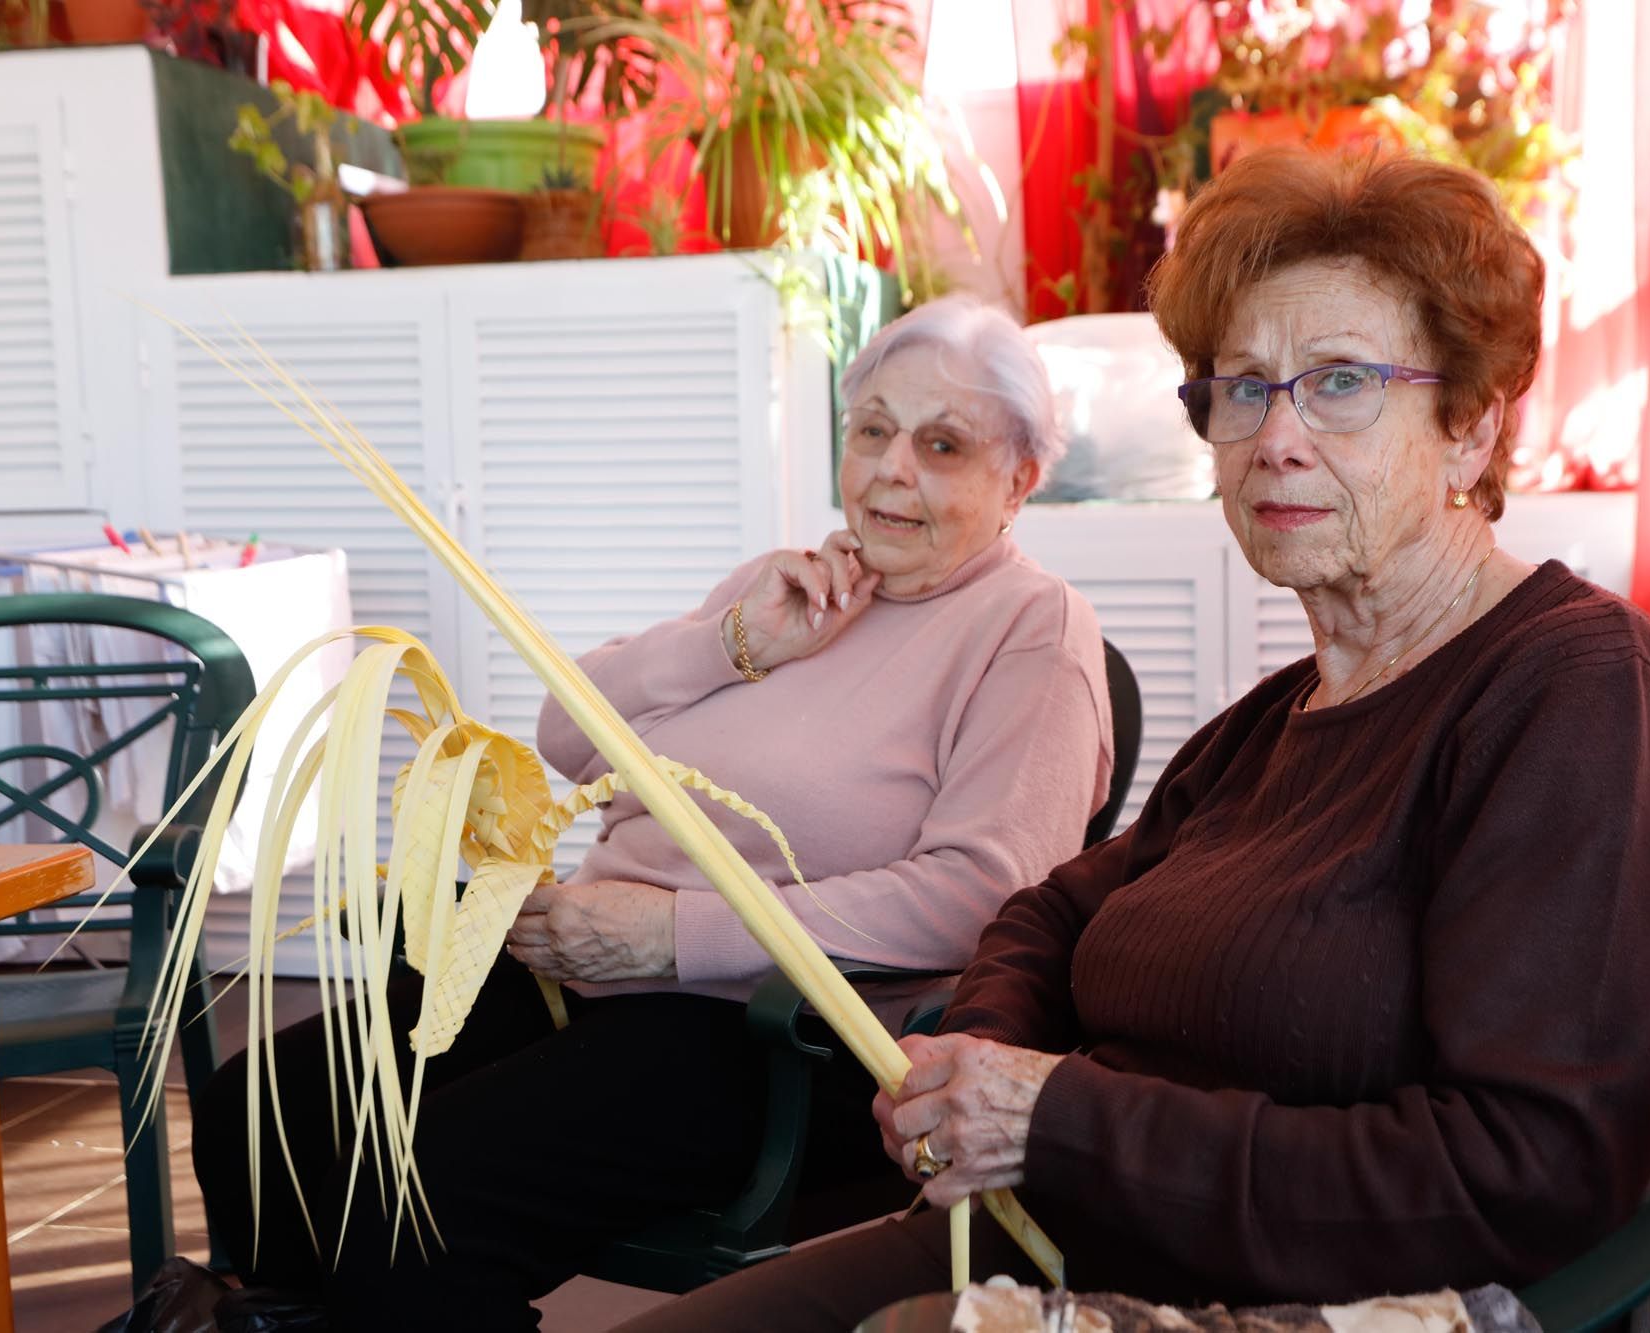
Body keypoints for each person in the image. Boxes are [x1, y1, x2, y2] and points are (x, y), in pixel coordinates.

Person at [614, 148, 1650, 1331]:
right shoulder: (1287, 713)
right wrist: (982, 1063)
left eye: (1340, 382)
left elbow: (1526, 1178)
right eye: (1242, 389)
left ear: (1468, 426)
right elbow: (1049, 914)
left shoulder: (1575, 693)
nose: (1276, 438)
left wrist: (1059, 1120)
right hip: (1051, 1235)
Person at [190, 294, 1115, 1331]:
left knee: (420, 1202)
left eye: (941, 444)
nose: (892, 469)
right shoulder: (798, 587)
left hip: (783, 1033)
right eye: (871, 432)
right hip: (585, 979)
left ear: (1018, 478)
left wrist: (667, 937)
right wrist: (732, 640)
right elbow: (568, 733)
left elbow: (981, 896)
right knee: (257, 1116)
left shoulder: (1032, 630)